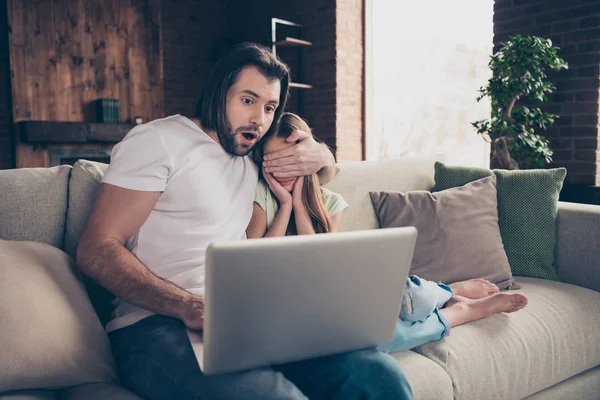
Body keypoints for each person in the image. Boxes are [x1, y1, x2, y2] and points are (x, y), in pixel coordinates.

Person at [76, 42, 413, 400]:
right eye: (247, 101)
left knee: (379, 377)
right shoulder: (160, 141)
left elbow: (324, 173)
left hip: (250, 322)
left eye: (269, 107)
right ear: (219, 93)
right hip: (155, 326)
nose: (259, 119)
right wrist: (188, 306)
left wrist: (319, 152)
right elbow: (96, 248)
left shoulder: (250, 153)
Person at [248, 112, 529, 355]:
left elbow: (319, 255)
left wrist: (300, 202)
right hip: (307, 302)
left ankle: (448, 291)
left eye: (290, 160)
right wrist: (286, 204)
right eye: (274, 161)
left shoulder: (330, 202)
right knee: (384, 338)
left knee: (409, 299)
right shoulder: (262, 196)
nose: (284, 170)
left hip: (345, 286)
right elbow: (257, 260)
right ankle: (459, 309)